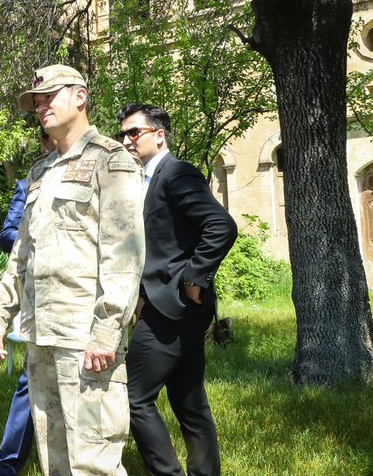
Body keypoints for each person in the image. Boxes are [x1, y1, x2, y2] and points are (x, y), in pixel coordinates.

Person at [0, 65, 145, 476]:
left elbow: (124, 256)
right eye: (36, 101)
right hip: (41, 334)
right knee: (53, 454)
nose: (41, 107)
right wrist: (1, 316)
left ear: (80, 97)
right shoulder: (41, 172)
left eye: (49, 97)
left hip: (85, 336)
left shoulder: (112, 161)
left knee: (93, 461)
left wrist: (107, 332)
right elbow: (22, 252)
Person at [117, 104, 237, 476]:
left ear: (159, 135)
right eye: (123, 134)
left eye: (133, 132)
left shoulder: (176, 173)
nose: (126, 140)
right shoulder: (147, 179)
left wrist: (192, 281)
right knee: (189, 401)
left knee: (132, 397)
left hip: (173, 307)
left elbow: (221, 226)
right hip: (173, 306)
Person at [0, 130, 53, 476]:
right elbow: (7, 234)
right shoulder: (30, 181)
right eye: (42, 139)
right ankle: (8, 464)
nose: (47, 144)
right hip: (38, 299)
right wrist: (41, 241)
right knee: (30, 381)